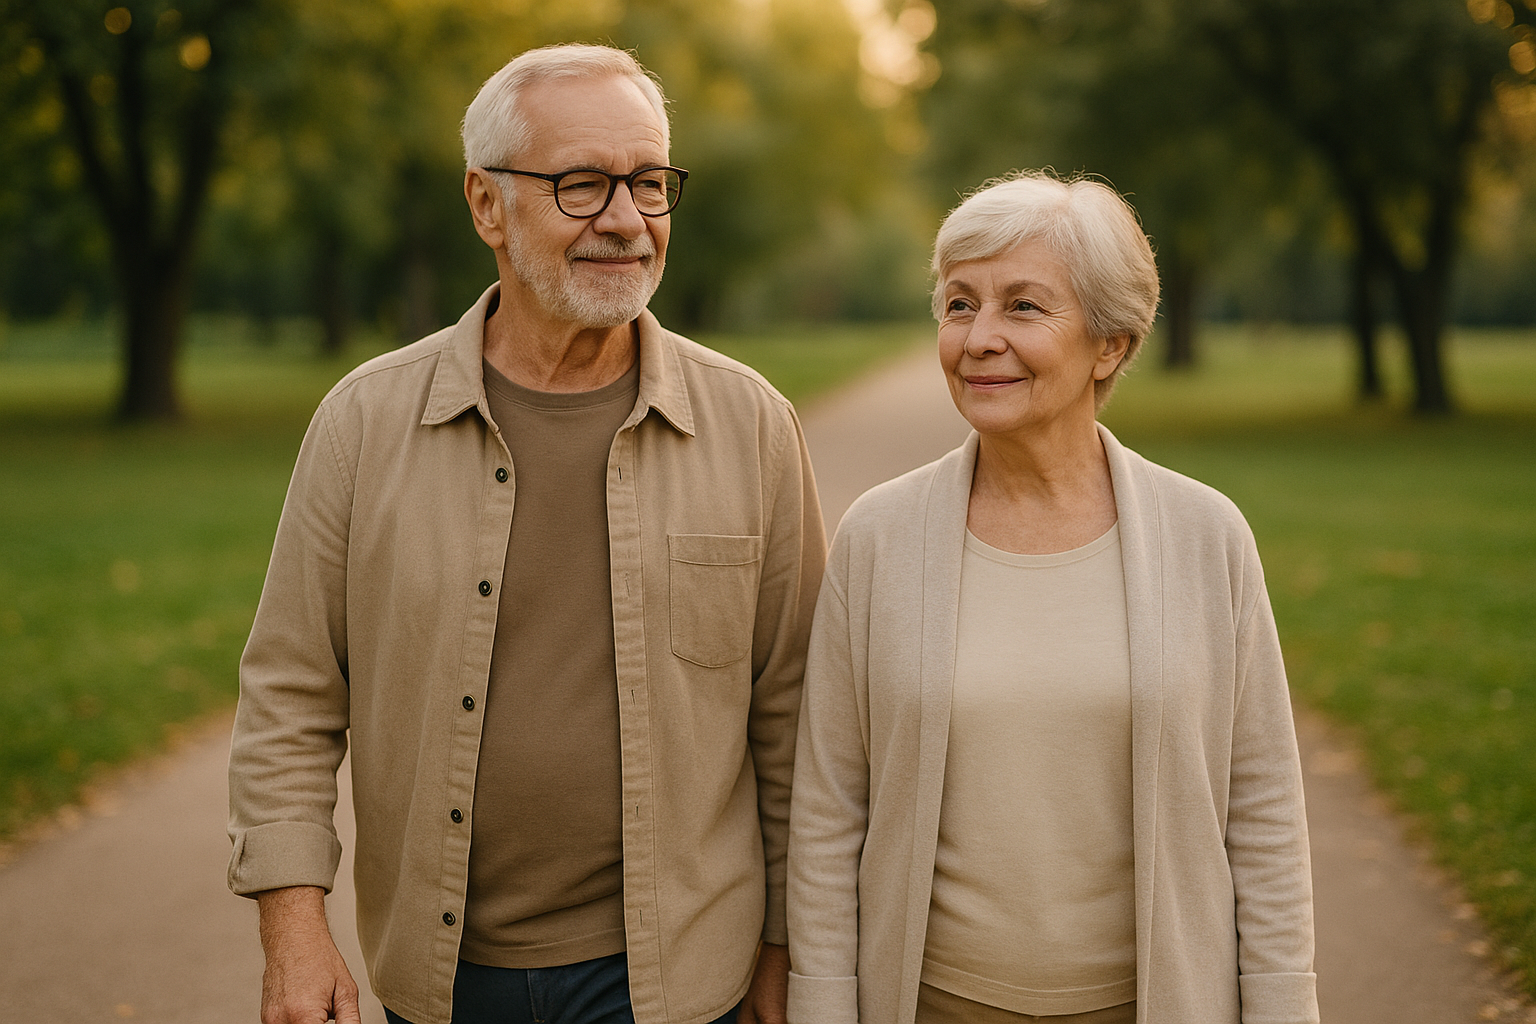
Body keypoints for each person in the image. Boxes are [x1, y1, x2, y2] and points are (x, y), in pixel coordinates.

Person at [227, 44, 825, 1024]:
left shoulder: (752, 427)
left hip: (681, 980)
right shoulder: (364, 422)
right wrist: (293, 931)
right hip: (441, 979)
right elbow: (289, 696)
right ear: (487, 205)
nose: (627, 220)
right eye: (584, 185)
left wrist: (783, 948)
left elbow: (797, 721)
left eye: (648, 183)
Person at [784, 171, 1318, 1024]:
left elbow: (1262, 818)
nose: (979, 338)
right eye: (960, 305)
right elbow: (827, 814)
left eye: (1023, 308)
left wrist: (1283, 1009)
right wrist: (823, 1006)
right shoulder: (877, 537)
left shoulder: (1205, 536)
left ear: (1110, 344)